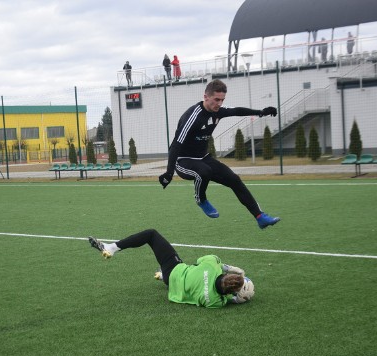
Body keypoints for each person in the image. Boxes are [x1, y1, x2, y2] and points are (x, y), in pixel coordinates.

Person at [158, 79, 280, 230]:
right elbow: (176, 145)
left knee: (234, 180)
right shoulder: (192, 116)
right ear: (206, 96)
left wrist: (260, 112)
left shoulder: (218, 111)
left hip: (203, 158)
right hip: (182, 161)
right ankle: (201, 199)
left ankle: (260, 217)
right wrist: (169, 173)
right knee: (204, 171)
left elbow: (236, 111)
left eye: (222, 100)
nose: (219, 103)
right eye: (216, 99)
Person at [88, 229, 254, 308]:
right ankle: (161, 275)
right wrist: (236, 298)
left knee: (152, 235)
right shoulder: (215, 301)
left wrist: (233, 268)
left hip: (175, 268)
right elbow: (228, 299)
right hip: (173, 287)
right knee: (188, 281)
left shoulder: (212, 263)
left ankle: (111, 248)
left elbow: (200, 263)